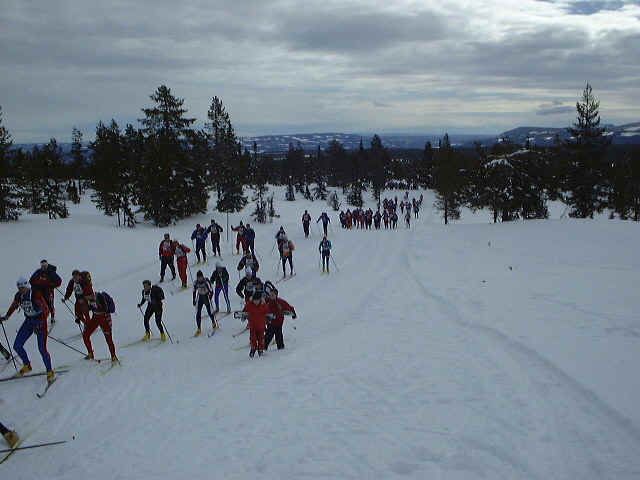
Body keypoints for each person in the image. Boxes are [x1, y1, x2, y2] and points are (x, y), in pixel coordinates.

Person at [0, 277, 55, 382]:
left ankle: (50, 371)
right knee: (17, 345)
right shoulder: (19, 296)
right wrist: (6, 316)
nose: (21, 289)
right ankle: (27, 365)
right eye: (19, 288)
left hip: (40, 322)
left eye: (23, 287)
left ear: (27, 286)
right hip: (29, 321)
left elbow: (46, 310)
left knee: (42, 349)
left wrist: (40, 324)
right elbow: (14, 305)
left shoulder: (35, 294)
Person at [84, 293, 118, 363]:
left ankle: (113, 356)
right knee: (85, 335)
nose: (86, 298)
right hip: (95, 318)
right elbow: (88, 308)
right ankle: (90, 353)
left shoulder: (99, 297)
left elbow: (106, 309)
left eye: (86, 295)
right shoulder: (88, 299)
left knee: (108, 338)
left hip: (104, 319)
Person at [264, 283, 297, 350]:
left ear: (276, 295)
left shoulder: (280, 302)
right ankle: (263, 347)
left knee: (278, 335)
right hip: (270, 322)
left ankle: (281, 347)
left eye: (273, 295)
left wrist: (293, 314)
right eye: (270, 295)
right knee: (268, 335)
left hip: (278, 322)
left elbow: (289, 307)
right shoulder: (267, 302)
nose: (271, 296)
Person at [29, 259, 62, 324]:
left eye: (45, 265)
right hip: (40, 291)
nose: (43, 267)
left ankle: (52, 317)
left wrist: (50, 285)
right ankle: (42, 318)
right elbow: (31, 280)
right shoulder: (38, 272)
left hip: (49, 291)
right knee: (42, 304)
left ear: (47, 265)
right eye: (42, 265)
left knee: (50, 304)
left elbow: (59, 281)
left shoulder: (51, 272)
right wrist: (37, 284)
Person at [242, 291, 270, 357]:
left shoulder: (264, 305)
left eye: (257, 300)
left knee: (261, 339)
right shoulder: (249, 305)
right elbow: (244, 311)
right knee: (253, 338)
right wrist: (243, 316)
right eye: (254, 300)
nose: (256, 302)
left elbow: (268, 313)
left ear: (260, 299)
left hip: (261, 326)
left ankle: (260, 350)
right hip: (253, 326)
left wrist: (269, 319)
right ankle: (253, 349)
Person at [192, 271, 216, 337]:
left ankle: (213, 322)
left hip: (206, 296)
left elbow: (211, 291)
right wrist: (193, 300)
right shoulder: (196, 282)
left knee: (209, 311)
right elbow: (194, 291)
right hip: (200, 297)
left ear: (202, 276)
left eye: (201, 277)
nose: (200, 279)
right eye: (198, 277)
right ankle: (199, 328)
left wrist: (210, 297)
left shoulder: (206, 282)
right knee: (198, 313)